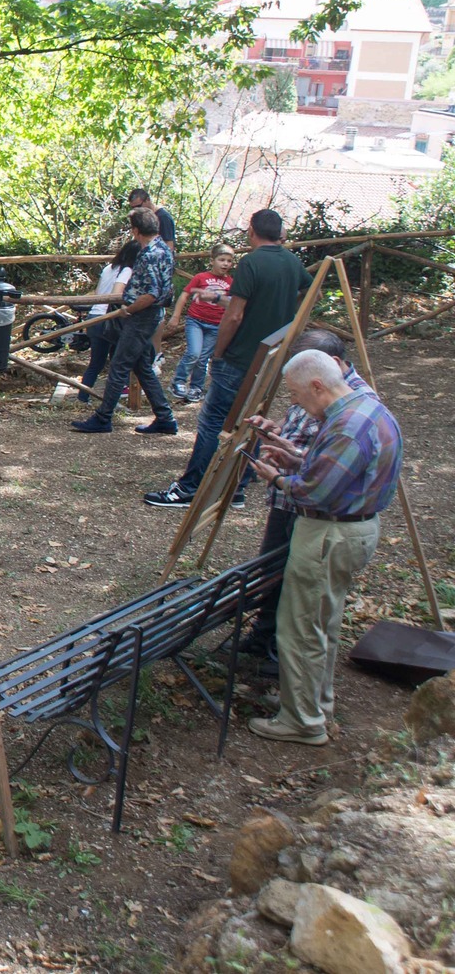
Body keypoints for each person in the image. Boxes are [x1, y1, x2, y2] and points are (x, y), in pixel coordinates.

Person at [244, 350, 401, 745]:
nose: (294, 402)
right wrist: (297, 456)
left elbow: (317, 493)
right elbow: (339, 472)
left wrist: (279, 478)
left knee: (300, 629)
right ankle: (316, 703)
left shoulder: (347, 426)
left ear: (317, 385)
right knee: (323, 624)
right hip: (352, 530)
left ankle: (301, 722)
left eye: (296, 394)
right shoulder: (367, 409)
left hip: (329, 536)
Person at [145, 210, 313, 508]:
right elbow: (309, 292)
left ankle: (190, 488)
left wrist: (219, 352)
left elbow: (234, 317)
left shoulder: (251, 262)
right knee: (251, 420)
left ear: (252, 231)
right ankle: (236, 486)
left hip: (239, 358)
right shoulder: (291, 261)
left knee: (212, 422)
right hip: (270, 360)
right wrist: (285, 317)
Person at [237, 328, 370, 675]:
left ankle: (284, 656)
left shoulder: (351, 406)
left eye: (297, 390)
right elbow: (299, 427)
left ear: (333, 365)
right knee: (273, 567)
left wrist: (286, 466)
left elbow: (329, 468)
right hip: (291, 499)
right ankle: (264, 635)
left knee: (297, 585)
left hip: (313, 507)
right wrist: (275, 431)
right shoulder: (318, 387)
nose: (293, 399)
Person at [71, 208, 178, 435]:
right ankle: (165, 417)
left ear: (136, 230)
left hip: (141, 316)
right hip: (147, 315)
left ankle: (103, 417)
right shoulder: (163, 250)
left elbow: (150, 294)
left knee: (119, 365)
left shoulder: (149, 254)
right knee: (141, 367)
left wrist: (128, 309)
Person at [163, 246, 236, 403]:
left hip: (216, 325)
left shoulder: (231, 283)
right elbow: (184, 296)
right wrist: (175, 316)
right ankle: (179, 381)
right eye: (221, 260)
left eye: (229, 261)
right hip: (196, 321)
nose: (225, 264)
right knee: (194, 353)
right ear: (212, 261)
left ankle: (196, 387)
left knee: (203, 358)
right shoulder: (201, 277)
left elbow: (233, 304)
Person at [75, 240, 139, 403]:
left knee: (96, 363)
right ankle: (118, 394)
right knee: (120, 361)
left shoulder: (108, 268)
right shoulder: (127, 271)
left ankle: (83, 397)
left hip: (95, 317)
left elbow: (98, 293)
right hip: (109, 319)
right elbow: (117, 294)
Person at [130, 187, 176, 252]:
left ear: (148, 200)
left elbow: (169, 246)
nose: (136, 210)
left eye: (138, 206)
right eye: (133, 208)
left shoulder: (163, 217)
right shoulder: (141, 218)